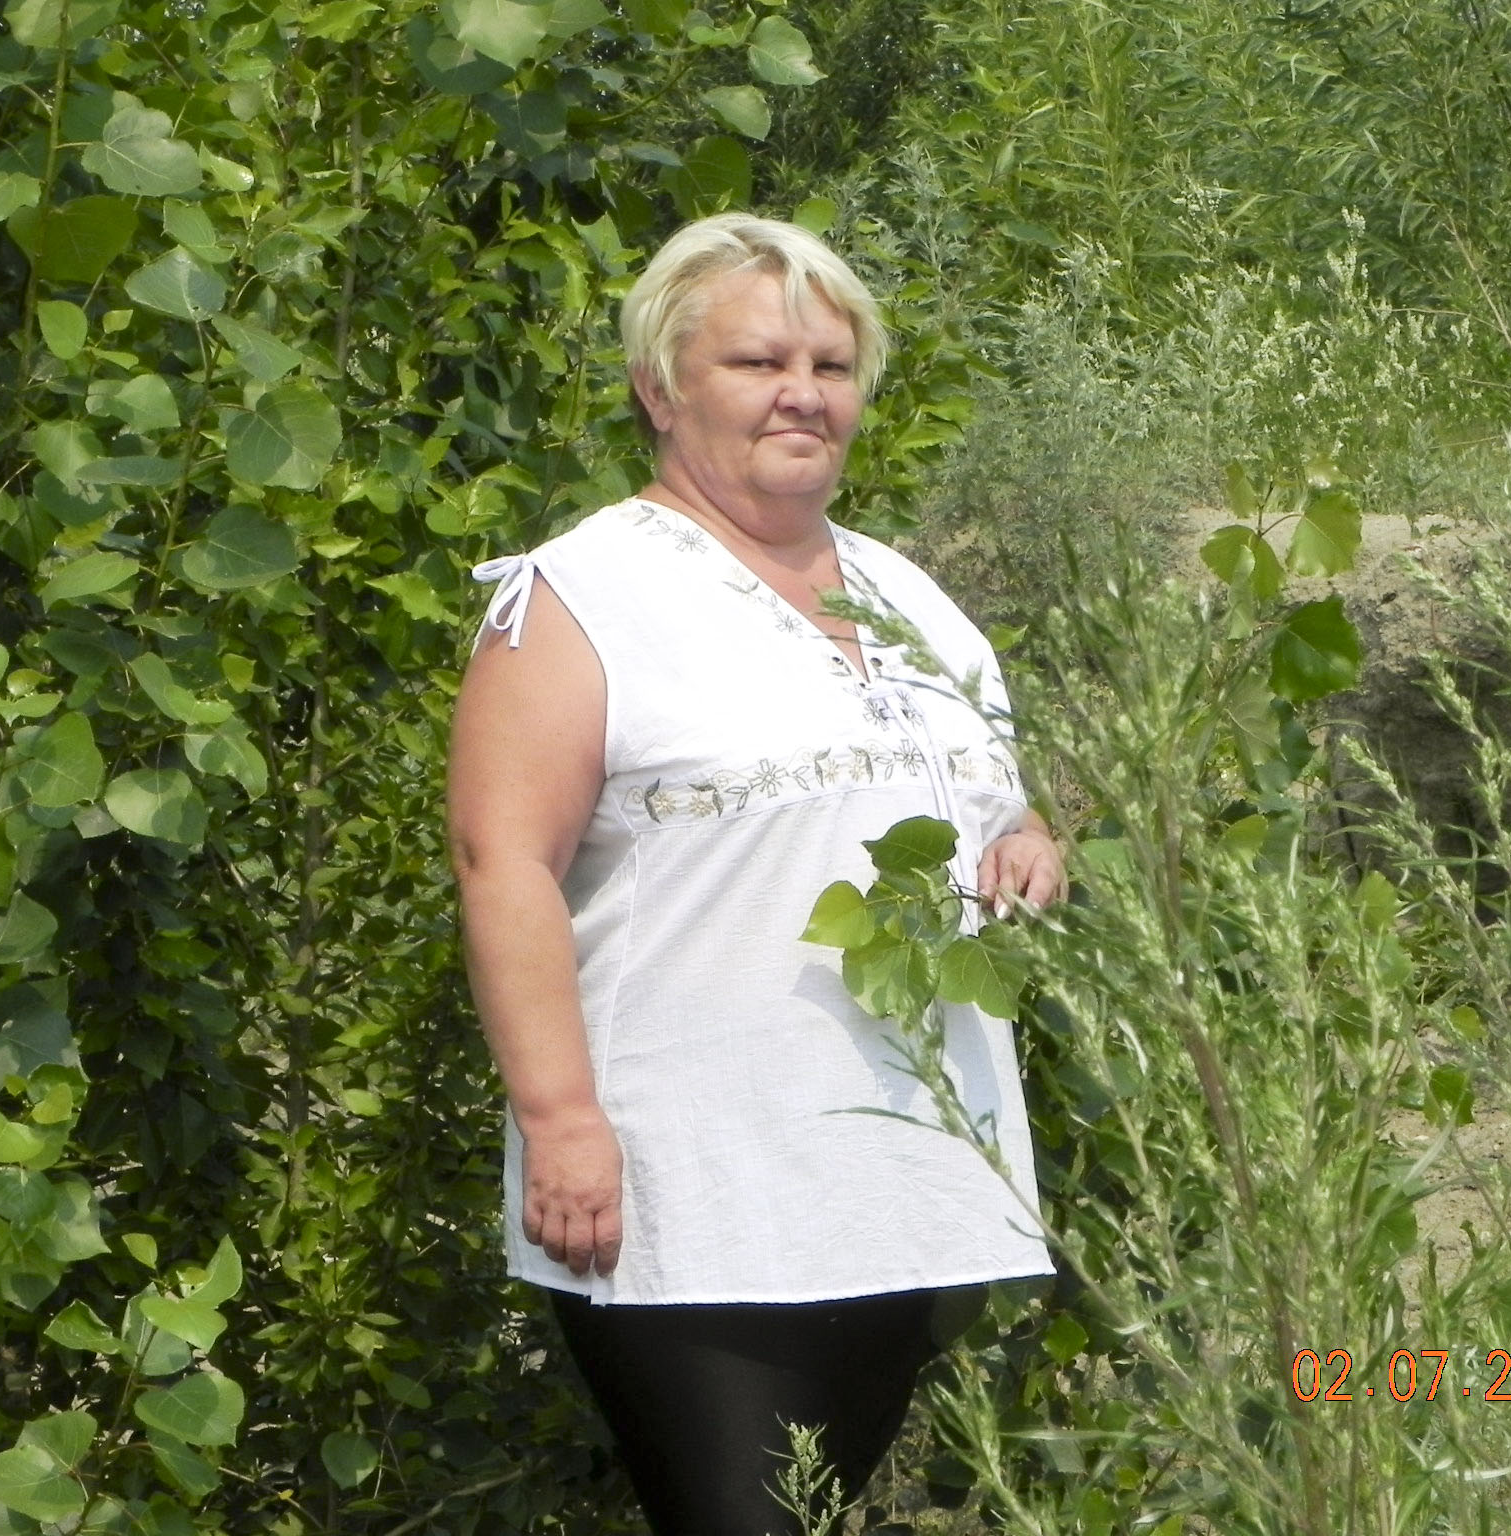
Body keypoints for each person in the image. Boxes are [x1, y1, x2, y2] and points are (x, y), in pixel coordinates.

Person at [445, 211, 1067, 1535]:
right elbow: (502, 862)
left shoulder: (911, 597)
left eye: (831, 366)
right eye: (757, 363)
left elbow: (994, 803)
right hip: (689, 1182)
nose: (803, 393)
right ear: (660, 388)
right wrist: (561, 1118)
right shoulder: (582, 596)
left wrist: (1026, 845)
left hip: (907, 1179)